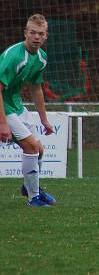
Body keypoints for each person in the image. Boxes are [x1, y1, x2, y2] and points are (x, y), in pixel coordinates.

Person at [0, 14, 56, 207]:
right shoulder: (14, 56)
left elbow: (36, 88)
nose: (36, 37)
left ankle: (30, 187)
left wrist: (44, 120)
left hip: (15, 104)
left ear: (46, 36)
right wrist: (2, 123)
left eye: (41, 33)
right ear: (25, 33)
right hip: (4, 106)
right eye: (32, 32)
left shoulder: (41, 58)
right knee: (31, 147)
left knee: (39, 150)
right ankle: (34, 199)